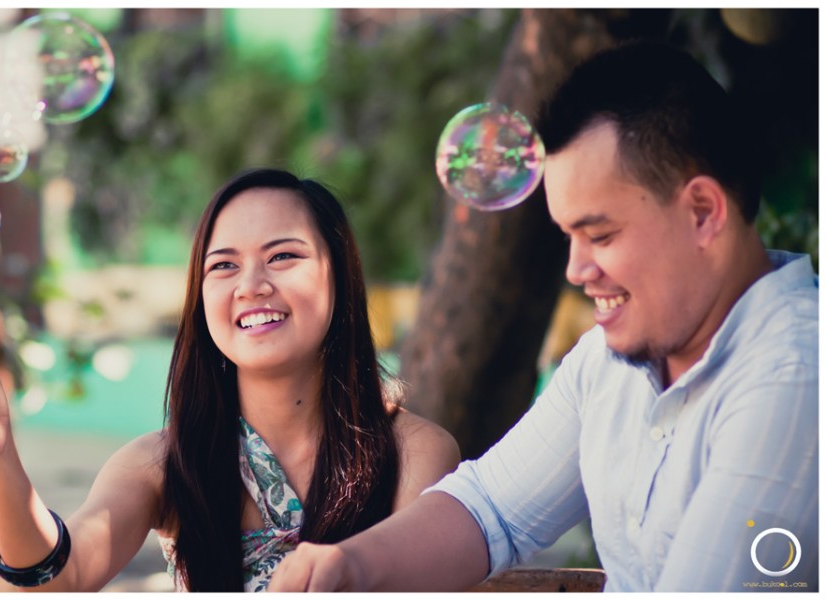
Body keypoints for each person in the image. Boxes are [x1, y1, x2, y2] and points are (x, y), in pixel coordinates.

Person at [267, 41, 818, 593]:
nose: (577, 269)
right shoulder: (608, 363)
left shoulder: (795, 380)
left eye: (600, 235)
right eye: (568, 236)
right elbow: (492, 510)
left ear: (702, 212)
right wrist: (350, 566)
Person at [0, 168, 461, 592]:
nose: (251, 285)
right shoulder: (163, 464)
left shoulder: (415, 453)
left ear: (340, 277)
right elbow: (61, 576)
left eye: (283, 256)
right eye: (223, 266)